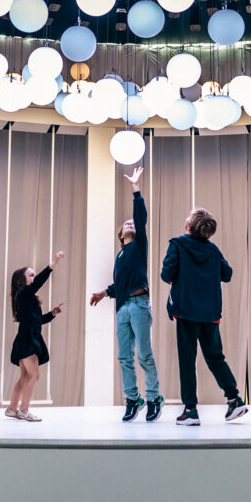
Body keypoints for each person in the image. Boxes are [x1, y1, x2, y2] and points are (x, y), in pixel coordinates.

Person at [161, 208, 247, 426]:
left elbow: (166, 274)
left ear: (189, 225)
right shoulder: (213, 250)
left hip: (186, 311)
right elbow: (227, 274)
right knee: (215, 357)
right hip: (209, 314)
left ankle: (190, 410)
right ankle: (234, 399)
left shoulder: (178, 244)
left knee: (187, 362)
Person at [90, 167, 163, 422]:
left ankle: (154, 397)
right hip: (123, 307)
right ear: (121, 235)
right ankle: (133, 399)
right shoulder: (120, 256)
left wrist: (136, 189)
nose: (130, 223)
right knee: (124, 356)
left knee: (144, 354)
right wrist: (103, 293)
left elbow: (140, 217)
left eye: (132, 223)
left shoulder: (139, 246)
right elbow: (118, 284)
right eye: (126, 224)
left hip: (140, 304)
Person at [6, 251, 65, 422]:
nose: (34, 277)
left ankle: (12, 408)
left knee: (25, 376)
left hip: (28, 337)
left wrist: (52, 313)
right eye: (31, 275)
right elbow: (39, 282)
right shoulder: (24, 294)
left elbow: (37, 321)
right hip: (27, 340)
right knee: (34, 376)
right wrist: (53, 264)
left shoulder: (28, 298)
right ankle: (24, 410)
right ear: (21, 280)